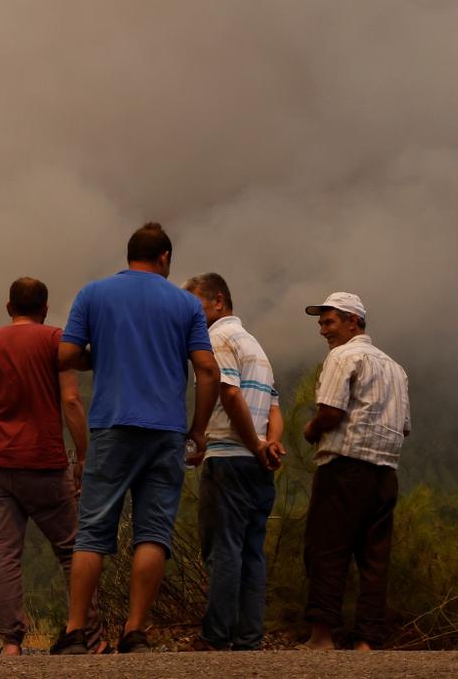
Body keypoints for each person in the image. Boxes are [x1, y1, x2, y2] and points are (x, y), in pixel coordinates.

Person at [51, 223, 220, 655]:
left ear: (130, 255)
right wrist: (198, 430)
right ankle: (136, 632)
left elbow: (66, 356)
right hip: (165, 432)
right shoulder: (186, 304)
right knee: (152, 533)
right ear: (164, 258)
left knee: (92, 533)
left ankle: (74, 633)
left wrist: (102, 353)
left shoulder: (94, 294)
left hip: (111, 425)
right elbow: (208, 370)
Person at [0, 276, 89, 655]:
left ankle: (11, 643)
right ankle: (85, 633)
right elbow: (70, 401)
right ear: (45, 309)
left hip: (0, 464)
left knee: (6, 553)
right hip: (47, 463)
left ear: (9, 308)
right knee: (71, 549)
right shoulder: (56, 342)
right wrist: (82, 455)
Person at [300, 292, 410, 651]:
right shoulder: (396, 369)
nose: (322, 330)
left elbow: (330, 412)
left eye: (329, 321)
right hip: (385, 474)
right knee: (374, 559)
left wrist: (311, 430)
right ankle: (367, 640)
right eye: (320, 322)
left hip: (344, 467)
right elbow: (405, 427)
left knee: (327, 551)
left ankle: (321, 637)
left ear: (353, 322)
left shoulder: (343, 356)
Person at [184, 273, 283, 651]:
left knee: (222, 547)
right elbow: (274, 406)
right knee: (251, 549)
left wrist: (254, 447)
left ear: (219, 303)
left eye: (197, 305)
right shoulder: (255, 345)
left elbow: (229, 395)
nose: (192, 314)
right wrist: (270, 445)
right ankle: (249, 636)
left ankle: (216, 635)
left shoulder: (217, 339)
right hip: (256, 463)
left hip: (229, 458)